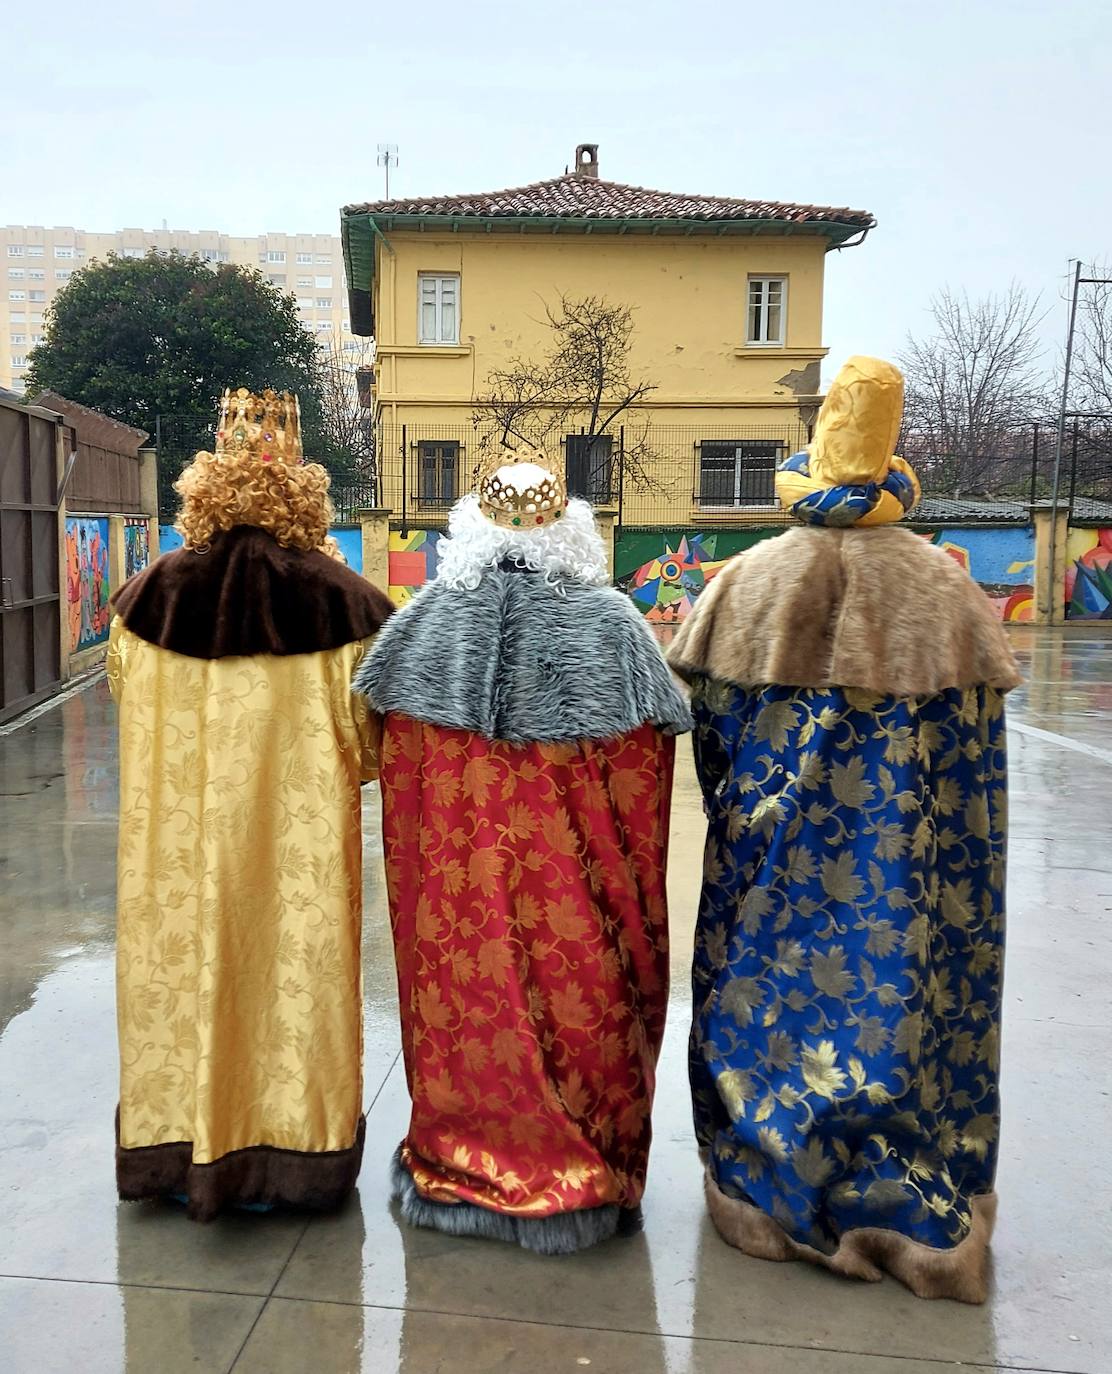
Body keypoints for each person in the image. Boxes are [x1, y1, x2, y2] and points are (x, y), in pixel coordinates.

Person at [667, 357, 1020, 1302]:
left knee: (765, 1003)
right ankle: (910, 1210)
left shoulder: (744, 584)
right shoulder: (949, 593)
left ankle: (770, 1185)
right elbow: (977, 783)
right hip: (910, 887)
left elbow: (712, 755)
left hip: (772, 877)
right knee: (905, 1007)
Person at [353, 449, 691, 1254]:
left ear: (472, 524)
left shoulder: (423, 626)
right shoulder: (613, 626)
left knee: (461, 1007)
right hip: (574, 912)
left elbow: (398, 782)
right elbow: (643, 791)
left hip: (457, 909)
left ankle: (454, 1161)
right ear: (567, 527)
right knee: (585, 1009)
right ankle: (584, 1177)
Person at [107, 386, 393, 1220]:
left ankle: (173, 1149)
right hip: (292, 865)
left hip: (175, 859)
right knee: (290, 980)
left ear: (205, 477)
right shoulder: (350, 605)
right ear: (303, 481)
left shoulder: (141, 601)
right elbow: (369, 749)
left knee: (178, 980)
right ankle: (293, 1154)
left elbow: (128, 705)